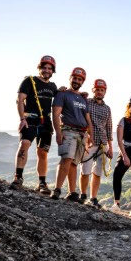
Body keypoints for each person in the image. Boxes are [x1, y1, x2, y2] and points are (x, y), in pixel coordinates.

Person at [11, 55, 58, 193]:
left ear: (53, 71)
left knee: (43, 152)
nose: (47, 70)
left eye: (49, 68)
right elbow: (20, 99)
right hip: (30, 119)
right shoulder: (29, 81)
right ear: (39, 68)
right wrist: (22, 119)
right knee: (24, 144)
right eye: (44, 67)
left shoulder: (52, 86)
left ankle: (42, 183)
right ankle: (18, 177)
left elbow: (60, 99)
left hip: (46, 122)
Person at [50, 67, 92, 201]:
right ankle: (57, 189)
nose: (77, 81)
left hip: (82, 134)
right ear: (70, 78)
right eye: (75, 78)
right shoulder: (62, 94)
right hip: (68, 130)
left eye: (79, 79)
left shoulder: (84, 99)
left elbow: (87, 118)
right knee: (66, 159)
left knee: (74, 163)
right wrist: (58, 132)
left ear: (82, 82)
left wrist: (90, 135)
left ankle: (72, 192)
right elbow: (55, 114)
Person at [80, 78, 113, 208]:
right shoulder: (86, 102)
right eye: (97, 89)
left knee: (97, 172)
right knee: (85, 170)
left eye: (102, 90)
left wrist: (110, 147)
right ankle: (83, 195)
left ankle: (93, 198)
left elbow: (109, 128)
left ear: (105, 92)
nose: (99, 92)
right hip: (89, 142)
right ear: (93, 90)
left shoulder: (107, 108)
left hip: (102, 142)